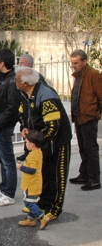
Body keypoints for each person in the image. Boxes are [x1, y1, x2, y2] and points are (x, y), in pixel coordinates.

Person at [16, 66, 72, 228]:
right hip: (39, 142)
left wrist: (34, 140)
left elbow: (53, 127)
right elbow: (22, 114)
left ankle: (54, 209)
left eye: (17, 80)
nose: (14, 82)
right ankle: (43, 204)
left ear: (26, 83)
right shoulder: (24, 94)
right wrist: (24, 127)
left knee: (57, 176)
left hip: (57, 142)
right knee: (44, 174)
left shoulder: (46, 95)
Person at [0, 48, 21, 207]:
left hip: (4, 125)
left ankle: (9, 193)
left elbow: (12, 107)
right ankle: (3, 188)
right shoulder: (2, 79)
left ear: (3, 63)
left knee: (7, 160)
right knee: (1, 158)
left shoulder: (12, 81)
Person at [68, 49, 102, 191]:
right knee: (83, 147)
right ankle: (84, 174)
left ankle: (94, 179)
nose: (73, 66)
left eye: (76, 63)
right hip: (79, 116)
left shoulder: (94, 75)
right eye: (72, 63)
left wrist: (96, 113)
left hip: (89, 116)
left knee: (90, 148)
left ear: (84, 61)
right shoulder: (79, 75)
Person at [17, 130, 46, 228]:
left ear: (32, 144)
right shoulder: (38, 152)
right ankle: (30, 219)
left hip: (31, 184)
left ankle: (42, 217)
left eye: (26, 142)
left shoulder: (33, 155)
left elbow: (32, 170)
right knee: (32, 202)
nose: (26, 144)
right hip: (34, 183)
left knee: (29, 202)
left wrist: (20, 167)